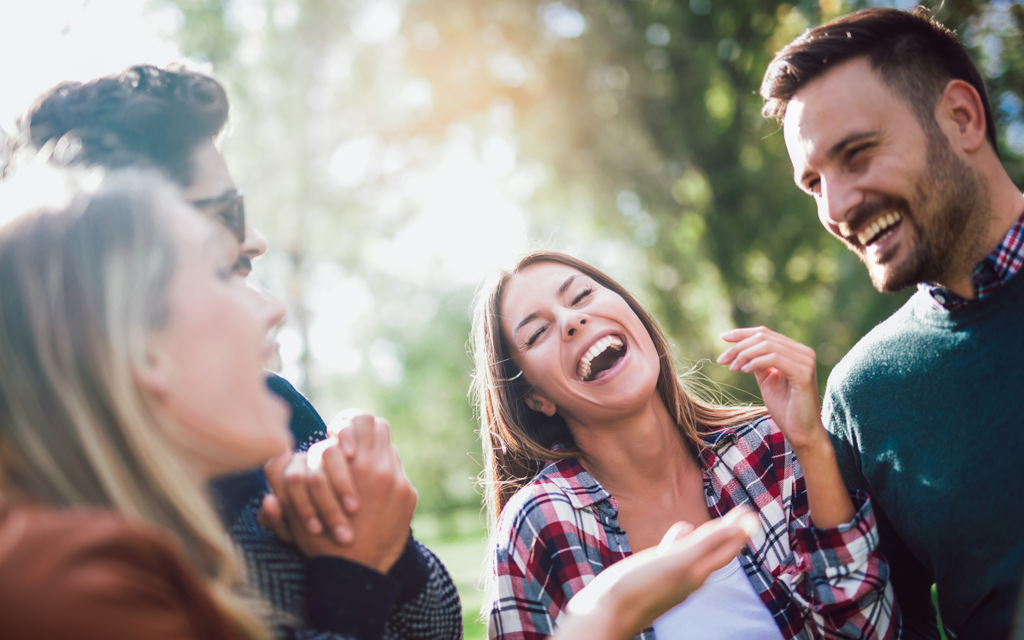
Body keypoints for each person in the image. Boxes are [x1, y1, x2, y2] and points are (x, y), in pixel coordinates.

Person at [19, 64, 462, 640]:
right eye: (221, 216)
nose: (254, 239)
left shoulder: (273, 414)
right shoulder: (68, 568)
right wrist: (351, 578)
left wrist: (385, 551)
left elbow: (430, 626)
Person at [760, 7, 1024, 639]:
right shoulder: (864, 394)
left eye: (857, 154)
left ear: (962, 118)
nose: (838, 205)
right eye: (814, 182)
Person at [472, 251, 897, 640]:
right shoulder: (537, 525)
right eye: (538, 332)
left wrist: (812, 447)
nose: (571, 320)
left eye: (581, 295)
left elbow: (870, 632)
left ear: (632, 314)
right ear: (535, 398)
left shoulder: (767, 448)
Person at [0, 167, 290, 639]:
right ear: (140, 351)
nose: (271, 308)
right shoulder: (75, 585)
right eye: (221, 272)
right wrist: (354, 573)